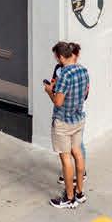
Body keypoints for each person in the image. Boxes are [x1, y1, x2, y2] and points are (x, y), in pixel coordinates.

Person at [43, 41, 88, 209]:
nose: (56, 60)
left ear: (61, 57)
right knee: (78, 153)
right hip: (78, 119)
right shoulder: (83, 70)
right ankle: (80, 193)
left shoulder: (64, 75)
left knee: (66, 158)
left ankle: (69, 198)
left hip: (63, 122)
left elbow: (58, 102)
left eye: (56, 57)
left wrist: (50, 91)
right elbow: (84, 94)